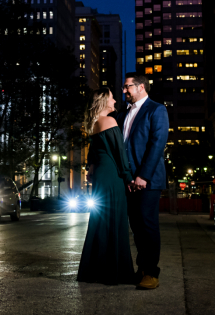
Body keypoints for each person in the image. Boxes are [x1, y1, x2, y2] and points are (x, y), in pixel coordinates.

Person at [77, 87, 135, 285]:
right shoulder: (109, 121)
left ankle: (95, 270)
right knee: (115, 220)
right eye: (112, 98)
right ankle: (116, 272)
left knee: (100, 221)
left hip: (101, 175)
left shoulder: (93, 123)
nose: (115, 102)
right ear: (103, 101)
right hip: (112, 176)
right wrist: (128, 177)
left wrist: (90, 168)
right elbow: (120, 153)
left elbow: (93, 153)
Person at [118, 72, 169, 290]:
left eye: (127, 86)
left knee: (148, 226)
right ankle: (141, 269)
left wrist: (143, 176)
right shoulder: (123, 114)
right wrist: (128, 177)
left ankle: (151, 272)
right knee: (136, 227)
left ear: (141, 87)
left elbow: (157, 144)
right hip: (129, 180)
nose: (124, 91)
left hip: (148, 180)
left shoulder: (157, 109)